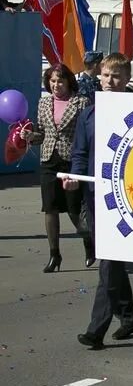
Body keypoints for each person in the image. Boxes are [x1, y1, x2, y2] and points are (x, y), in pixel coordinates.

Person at [65, 53, 133, 349]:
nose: (111, 81)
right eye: (107, 75)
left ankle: (96, 329)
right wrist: (75, 177)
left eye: (117, 76)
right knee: (113, 260)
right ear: (99, 76)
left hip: (127, 198)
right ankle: (128, 315)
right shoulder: (89, 114)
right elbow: (80, 153)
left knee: (108, 261)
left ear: (126, 80)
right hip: (95, 195)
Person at [22, 64, 90, 272]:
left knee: (74, 210)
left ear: (69, 81)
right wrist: (31, 137)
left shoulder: (81, 102)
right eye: (52, 81)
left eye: (60, 81)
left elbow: (87, 133)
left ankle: (90, 242)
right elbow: (42, 133)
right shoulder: (44, 103)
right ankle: (54, 254)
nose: (56, 85)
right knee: (50, 208)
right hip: (49, 160)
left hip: (72, 160)